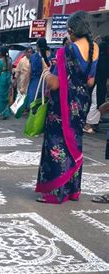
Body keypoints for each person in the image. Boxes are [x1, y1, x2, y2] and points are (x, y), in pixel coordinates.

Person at [35, 11, 99, 204]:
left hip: (62, 107)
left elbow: (55, 84)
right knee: (74, 143)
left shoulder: (66, 51)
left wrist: (46, 73)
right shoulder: (94, 48)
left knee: (57, 145)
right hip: (81, 104)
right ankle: (72, 190)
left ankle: (56, 192)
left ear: (71, 30)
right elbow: (90, 81)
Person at [27, 38, 50, 108]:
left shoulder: (33, 57)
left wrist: (27, 83)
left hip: (35, 82)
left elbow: (29, 72)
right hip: (48, 82)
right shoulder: (52, 55)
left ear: (37, 46)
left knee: (33, 102)